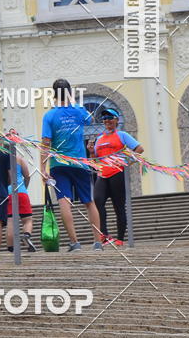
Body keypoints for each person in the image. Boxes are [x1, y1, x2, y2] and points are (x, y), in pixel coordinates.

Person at [40, 79, 103, 252]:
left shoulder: (49, 116)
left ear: (53, 94)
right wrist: (73, 102)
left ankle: (75, 243)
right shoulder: (78, 111)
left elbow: (45, 143)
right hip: (80, 163)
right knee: (89, 202)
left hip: (58, 164)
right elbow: (90, 120)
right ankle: (97, 242)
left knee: (64, 201)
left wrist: (42, 168)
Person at [92, 108, 143, 246]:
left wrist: (126, 162)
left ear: (116, 120)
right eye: (104, 118)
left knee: (118, 206)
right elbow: (95, 159)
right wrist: (91, 152)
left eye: (110, 117)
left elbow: (139, 149)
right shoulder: (99, 139)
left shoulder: (122, 135)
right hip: (102, 174)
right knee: (97, 200)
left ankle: (120, 239)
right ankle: (104, 234)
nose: (107, 120)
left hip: (116, 173)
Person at [6, 154, 36, 253]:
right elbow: (27, 176)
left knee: (11, 221)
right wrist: (24, 188)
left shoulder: (0, 160)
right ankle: (27, 235)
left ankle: (11, 248)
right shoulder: (18, 158)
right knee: (27, 220)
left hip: (8, 192)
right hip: (21, 191)